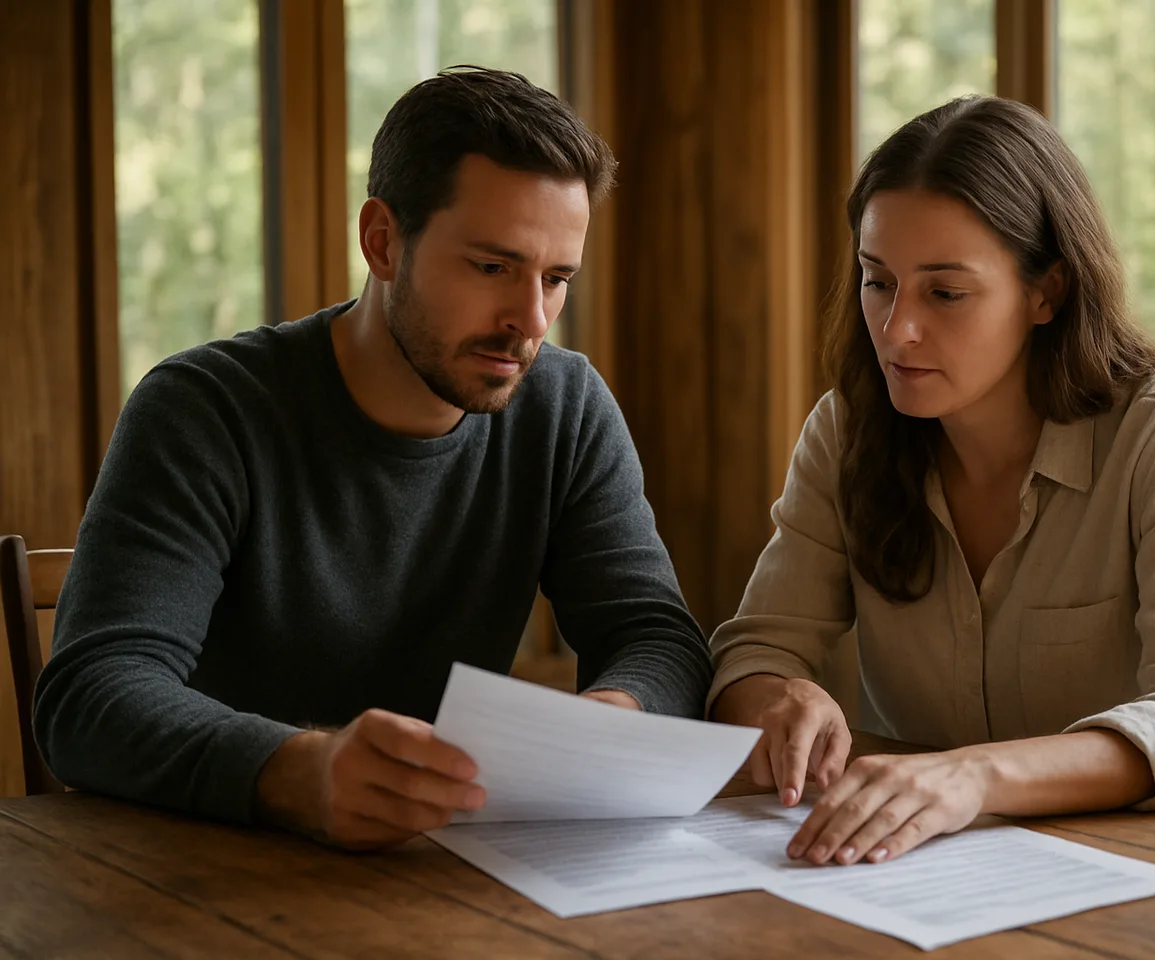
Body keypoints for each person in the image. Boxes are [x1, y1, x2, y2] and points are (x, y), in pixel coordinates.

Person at [35, 67, 712, 849]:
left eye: (556, 279)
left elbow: (657, 638)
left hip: (445, 872)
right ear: (383, 242)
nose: (530, 320)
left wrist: (610, 720)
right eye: (492, 267)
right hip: (207, 867)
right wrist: (303, 772)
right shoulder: (204, 410)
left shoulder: (565, 407)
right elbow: (90, 696)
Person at [709, 95, 1155, 868]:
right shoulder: (846, 432)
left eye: (945, 292)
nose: (897, 329)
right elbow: (755, 650)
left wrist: (974, 775)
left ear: (1047, 292)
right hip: (940, 873)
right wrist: (780, 695)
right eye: (878, 282)